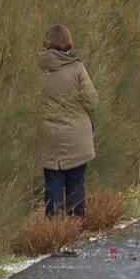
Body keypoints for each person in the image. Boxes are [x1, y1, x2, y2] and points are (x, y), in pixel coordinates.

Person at [38, 24, 98, 219]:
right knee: (76, 183)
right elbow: (92, 100)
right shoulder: (77, 68)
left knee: (53, 182)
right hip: (77, 137)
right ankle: (74, 227)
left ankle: (53, 229)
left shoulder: (39, 69)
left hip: (49, 136)